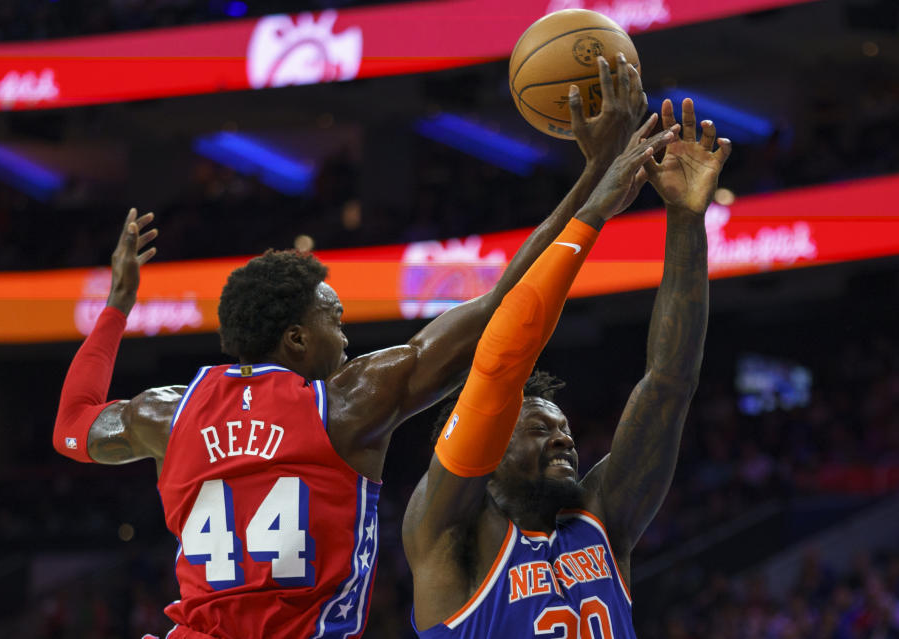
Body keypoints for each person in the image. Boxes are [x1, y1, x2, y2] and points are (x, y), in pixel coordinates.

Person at [52, 55, 657, 639]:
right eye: (333, 320)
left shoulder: (167, 414)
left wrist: (116, 309)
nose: (344, 338)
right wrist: (593, 181)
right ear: (296, 338)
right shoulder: (346, 404)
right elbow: (502, 307)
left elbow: (71, 426)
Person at [402, 96, 731, 638]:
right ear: (488, 447)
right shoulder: (449, 535)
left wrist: (686, 219)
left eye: (563, 429)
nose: (564, 441)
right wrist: (593, 209)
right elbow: (499, 363)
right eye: (538, 429)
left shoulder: (601, 517)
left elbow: (670, 383)